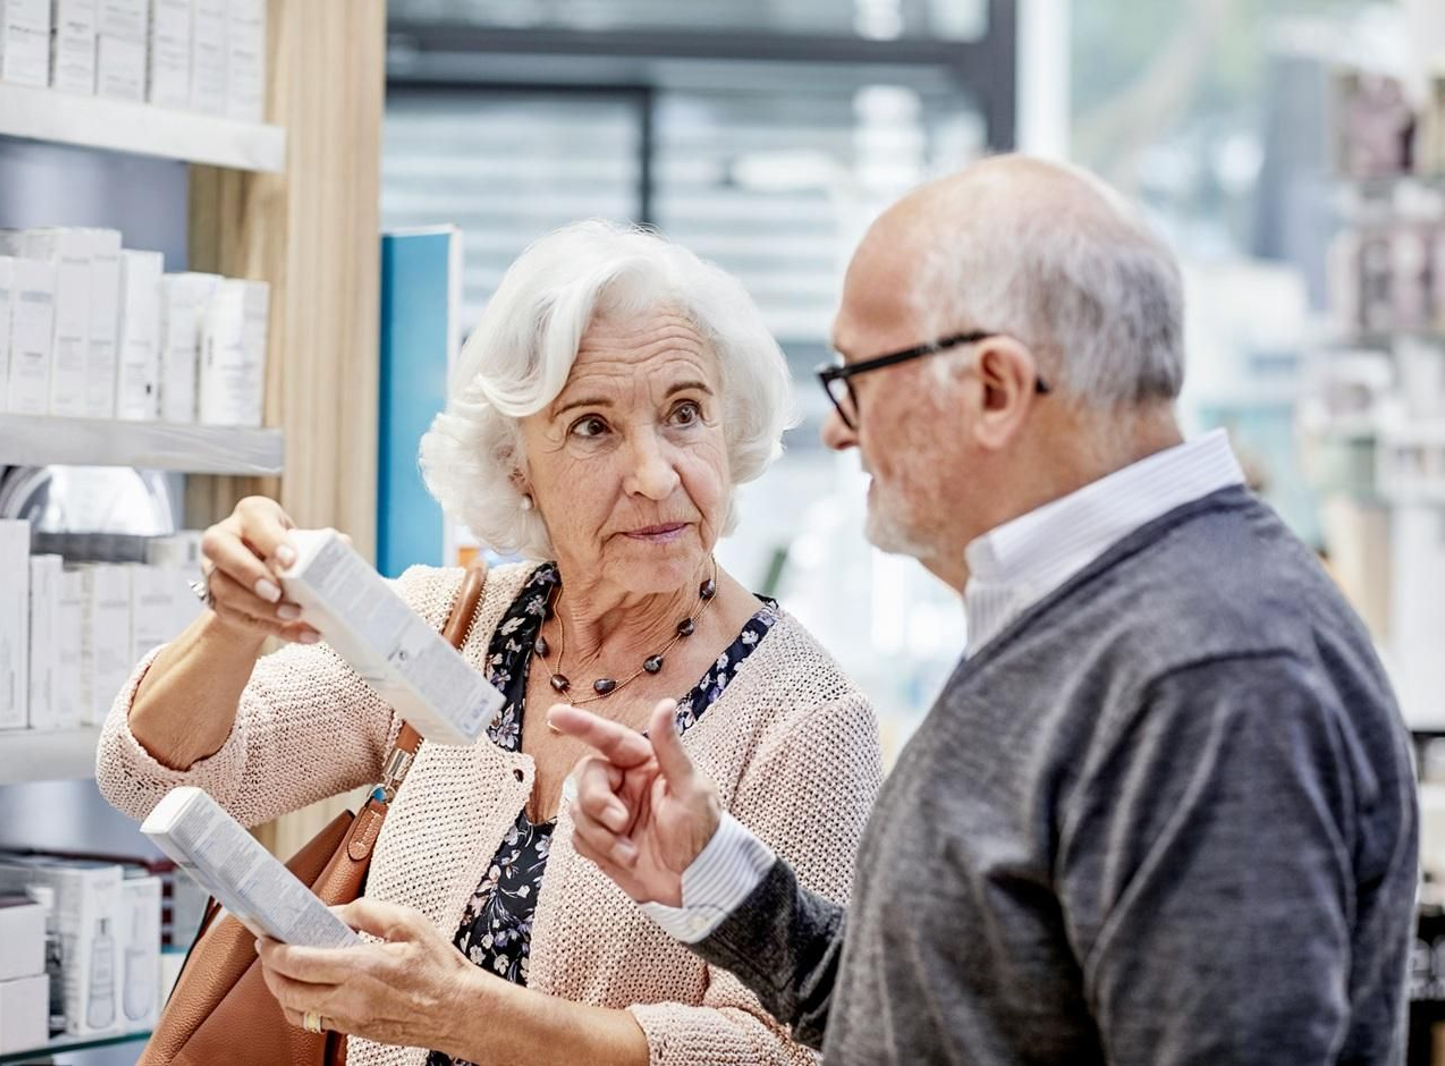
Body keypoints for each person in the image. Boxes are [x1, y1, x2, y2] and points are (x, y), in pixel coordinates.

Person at [553, 155, 1420, 1065]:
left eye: (856, 376)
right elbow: (960, 1007)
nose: (842, 429)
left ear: (995, 389)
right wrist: (717, 878)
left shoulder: (1210, 671)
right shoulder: (1087, 613)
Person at [96, 220, 883, 1066]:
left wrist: (468, 1016)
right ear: (518, 466)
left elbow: (788, 1054)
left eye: (685, 413)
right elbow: (153, 775)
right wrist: (233, 623)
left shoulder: (806, 720)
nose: (656, 474)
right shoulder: (452, 625)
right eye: (593, 427)